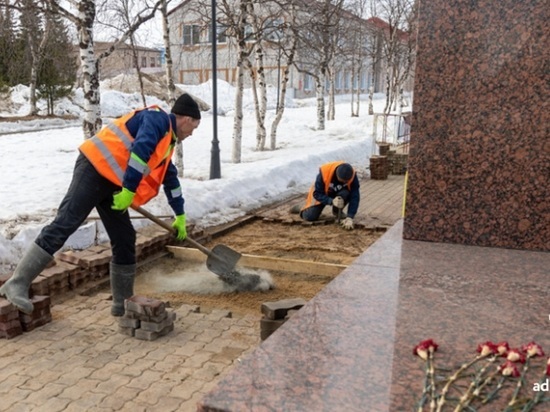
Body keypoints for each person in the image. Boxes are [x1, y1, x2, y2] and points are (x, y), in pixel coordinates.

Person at [0, 93, 202, 316]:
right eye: (193, 127)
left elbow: (170, 178)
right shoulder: (157, 120)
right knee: (66, 223)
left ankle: (122, 303)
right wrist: (128, 190)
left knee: (125, 238)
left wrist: (180, 215)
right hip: (94, 169)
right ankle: (17, 283)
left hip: (113, 183)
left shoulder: (167, 141)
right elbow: (140, 152)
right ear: (186, 119)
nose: (192, 133)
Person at [295, 161, 360, 230]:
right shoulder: (324, 172)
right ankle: (301, 208)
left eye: (346, 181)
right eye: (343, 181)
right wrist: (331, 201)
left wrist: (350, 217)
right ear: (337, 175)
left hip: (338, 193)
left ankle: (337, 211)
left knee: (346, 193)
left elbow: (355, 196)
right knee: (310, 216)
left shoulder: (352, 175)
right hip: (322, 194)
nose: (345, 182)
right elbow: (317, 193)